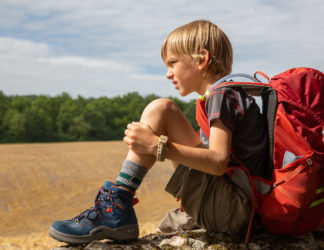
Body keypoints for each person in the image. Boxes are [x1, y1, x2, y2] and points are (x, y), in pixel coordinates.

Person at [49, 19, 267, 245]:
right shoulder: (227, 95)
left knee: (162, 109)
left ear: (202, 59)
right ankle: (118, 203)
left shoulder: (222, 96)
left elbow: (218, 162)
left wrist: (156, 146)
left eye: (172, 63)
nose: (168, 74)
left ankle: (116, 205)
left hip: (235, 210)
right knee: (164, 110)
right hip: (235, 206)